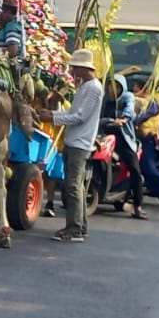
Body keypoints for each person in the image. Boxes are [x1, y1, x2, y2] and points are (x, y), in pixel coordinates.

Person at [35, 47, 102, 240]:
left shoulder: (93, 88)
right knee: (77, 186)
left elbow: (79, 116)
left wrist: (53, 117)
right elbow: (73, 112)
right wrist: (53, 113)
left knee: (72, 186)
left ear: (84, 68)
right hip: (74, 140)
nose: (73, 72)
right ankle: (80, 227)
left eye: (75, 68)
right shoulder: (84, 87)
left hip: (80, 143)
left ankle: (74, 228)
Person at [104, 76, 147, 219]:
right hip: (104, 137)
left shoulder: (127, 97)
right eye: (110, 86)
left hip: (124, 140)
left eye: (116, 86)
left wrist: (123, 119)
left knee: (135, 170)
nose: (112, 89)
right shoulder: (105, 99)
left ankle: (138, 206)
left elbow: (129, 110)